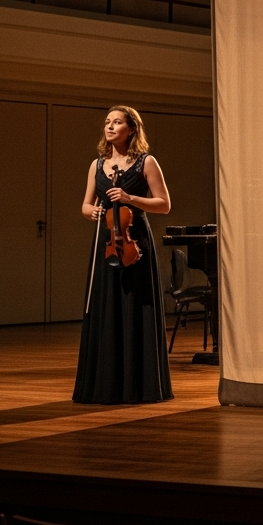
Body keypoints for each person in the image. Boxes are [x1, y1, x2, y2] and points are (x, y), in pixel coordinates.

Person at [74, 106, 174, 404]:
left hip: (135, 243)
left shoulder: (147, 162)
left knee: (133, 307)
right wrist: (89, 210)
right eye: (107, 122)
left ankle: (138, 385)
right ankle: (105, 384)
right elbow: (85, 204)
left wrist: (130, 198)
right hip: (105, 242)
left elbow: (164, 204)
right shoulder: (97, 165)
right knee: (106, 307)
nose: (110, 126)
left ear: (131, 128)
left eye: (117, 122)